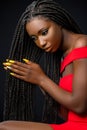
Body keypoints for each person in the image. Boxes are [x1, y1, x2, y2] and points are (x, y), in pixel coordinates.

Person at [1, 0, 87, 129]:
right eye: (34, 38)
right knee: (4, 125)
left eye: (44, 32)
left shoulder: (82, 44)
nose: (41, 43)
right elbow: (65, 114)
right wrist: (38, 82)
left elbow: (79, 106)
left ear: (59, 22)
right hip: (72, 125)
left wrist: (41, 79)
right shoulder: (63, 57)